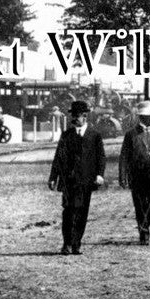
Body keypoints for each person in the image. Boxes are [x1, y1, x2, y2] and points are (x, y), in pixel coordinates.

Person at [48, 100, 106, 255]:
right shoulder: (66, 136)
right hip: (68, 181)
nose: (74, 118)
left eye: (77, 116)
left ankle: (76, 244)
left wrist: (100, 174)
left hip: (86, 182)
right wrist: (53, 177)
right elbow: (58, 158)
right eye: (73, 115)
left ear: (85, 116)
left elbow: (101, 157)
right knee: (68, 212)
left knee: (81, 212)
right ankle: (66, 244)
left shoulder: (94, 136)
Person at [119, 100, 150, 244]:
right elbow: (124, 156)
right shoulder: (131, 134)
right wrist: (123, 176)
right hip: (138, 175)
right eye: (148, 116)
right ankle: (144, 232)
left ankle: (144, 225)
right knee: (140, 204)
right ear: (141, 117)